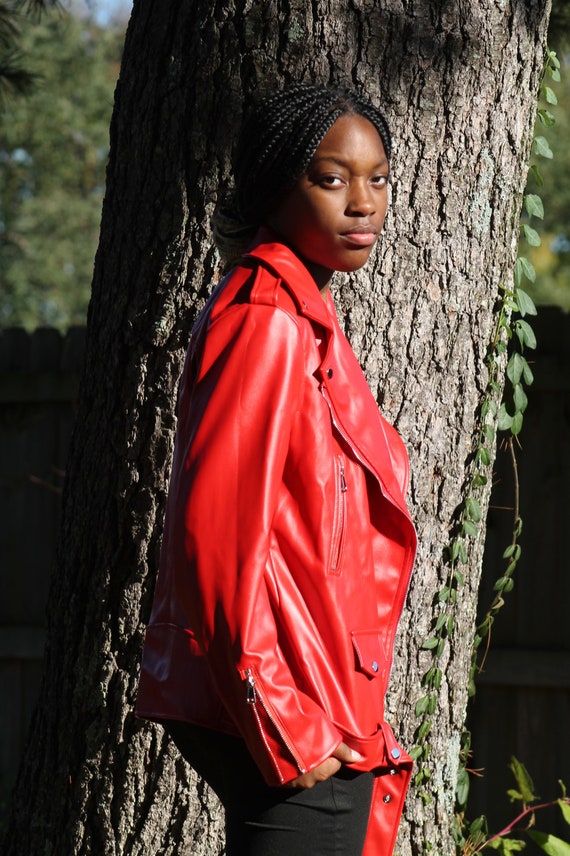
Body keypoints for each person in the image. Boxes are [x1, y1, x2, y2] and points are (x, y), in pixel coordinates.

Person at [136, 82, 417, 856]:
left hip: (317, 691)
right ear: (274, 188)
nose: (362, 202)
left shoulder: (304, 317)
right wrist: (284, 718)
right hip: (289, 702)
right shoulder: (268, 319)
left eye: (378, 178)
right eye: (330, 179)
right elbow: (215, 541)